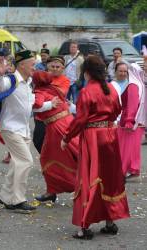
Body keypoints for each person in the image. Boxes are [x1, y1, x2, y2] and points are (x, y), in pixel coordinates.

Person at [61, 55, 130, 239]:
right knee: (110, 178)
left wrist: (67, 137)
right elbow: (117, 111)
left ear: (87, 72)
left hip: (93, 138)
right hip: (110, 135)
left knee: (89, 177)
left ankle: (85, 226)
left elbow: (81, 119)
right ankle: (110, 222)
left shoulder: (86, 91)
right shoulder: (112, 90)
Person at [0, 50, 38, 211]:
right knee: (26, 161)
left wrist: (50, 105)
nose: (35, 66)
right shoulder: (11, 79)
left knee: (17, 163)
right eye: (32, 64)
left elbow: (32, 105)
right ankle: (18, 199)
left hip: (23, 130)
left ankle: (5, 197)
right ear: (22, 65)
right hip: (10, 128)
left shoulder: (28, 82)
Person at [33, 71, 79, 202]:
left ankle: (82, 186)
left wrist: (48, 104)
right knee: (72, 153)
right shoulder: (54, 88)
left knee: (52, 157)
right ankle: (52, 190)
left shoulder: (39, 92)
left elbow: (36, 105)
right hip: (66, 121)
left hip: (57, 126)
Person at [115, 63, 145, 180]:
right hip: (139, 120)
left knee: (125, 147)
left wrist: (129, 120)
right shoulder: (140, 84)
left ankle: (123, 170)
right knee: (134, 147)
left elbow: (132, 105)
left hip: (130, 121)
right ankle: (133, 169)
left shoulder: (133, 85)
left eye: (127, 71)